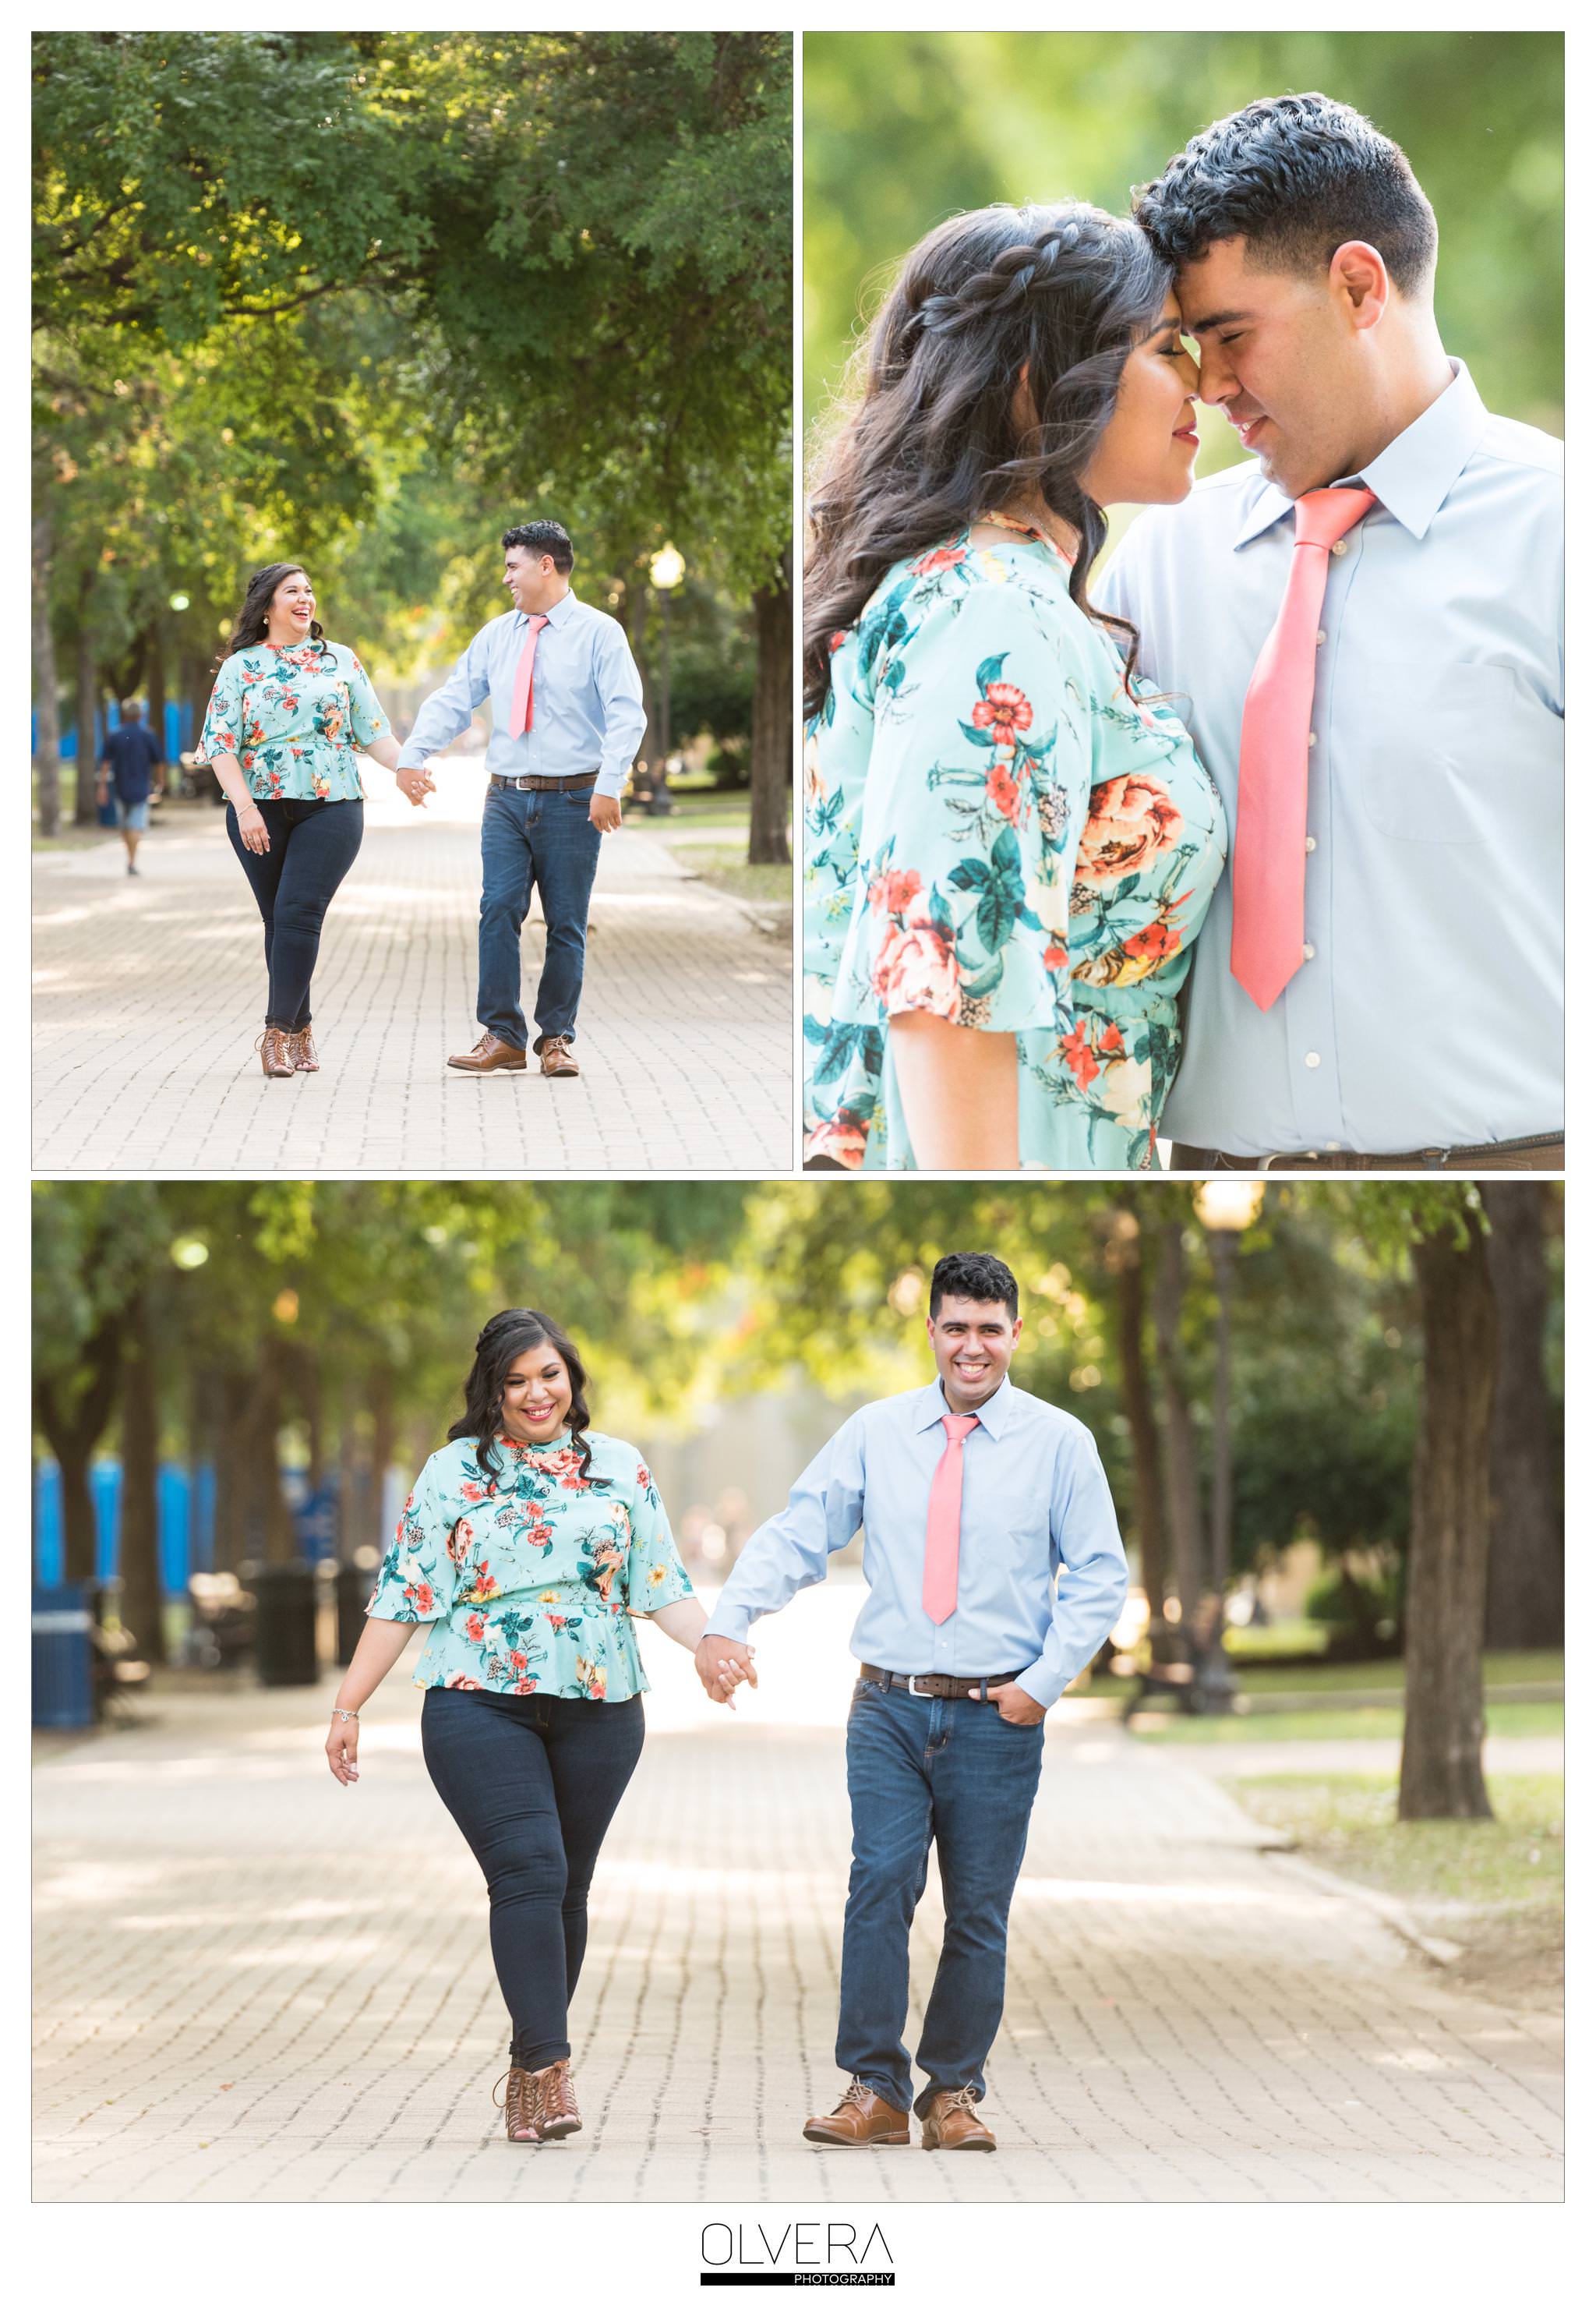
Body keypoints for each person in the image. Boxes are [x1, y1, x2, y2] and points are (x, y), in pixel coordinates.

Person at [1096, 94, 1563, 1171]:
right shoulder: (1159, 564)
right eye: (1183, 344)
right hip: (1209, 1174)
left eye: (1228, 335)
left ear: (1358, 286)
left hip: (1522, 1170)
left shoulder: (1559, 536)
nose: (1208, 388)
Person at [803, 200, 1227, 1172]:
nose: (1207, 386)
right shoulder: (994, 609)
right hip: (1003, 1148)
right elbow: (941, 976)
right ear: (1040, 379)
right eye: (1171, 350)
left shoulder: (992, 590)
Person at [696, 1252, 1127, 2153]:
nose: (972, 1345)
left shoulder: (1059, 1443)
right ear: (930, 1330)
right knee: (879, 1883)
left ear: (1015, 1333)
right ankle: (874, 2088)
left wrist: (1039, 1686)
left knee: (976, 1908)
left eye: (989, 1327)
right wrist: (728, 1619)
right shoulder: (876, 1431)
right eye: (956, 1326)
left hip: (995, 1713)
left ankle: (953, 2093)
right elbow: (802, 1527)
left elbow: (1096, 1576)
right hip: (887, 1706)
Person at [326, 1309, 749, 2146]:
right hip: (477, 1698)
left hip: (601, 1703)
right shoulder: (453, 1472)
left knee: (566, 1886)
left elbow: (658, 1580)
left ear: (570, 1378)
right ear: (492, 1390)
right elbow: (405, 1594)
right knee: (529, 1865)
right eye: (515, 1379)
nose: (534, 1392)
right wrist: (348, 1705)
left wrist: (708, 1644)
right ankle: (553, 2071)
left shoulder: (619, 1467)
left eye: (547, 1374)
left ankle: (526, 2068)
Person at [394, 520, 648, 1080]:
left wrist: (610, 784)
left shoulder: (599, 633)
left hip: (573, 800)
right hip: (505, 799)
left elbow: (627, 712)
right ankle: (503, 1036)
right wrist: (414, 755)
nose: (506, 577)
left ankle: (555, 1038)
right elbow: (456, 697)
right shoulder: (497, 635)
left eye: (513, 566)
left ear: (546, 566)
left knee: (566, 924)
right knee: (498, 908)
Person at [196, 562, 433, 1078]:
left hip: (333, 804)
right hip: (257, 809)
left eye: (309, 591)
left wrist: (407, 768)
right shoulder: (241, 668)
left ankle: (276, 1033)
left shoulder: (340, 661)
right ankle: (301, 1028)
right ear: (267, 605)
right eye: (292, 591)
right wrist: (243, 808)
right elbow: (220, 744)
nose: (305, 599)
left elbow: (374, 732)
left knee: (300, 910)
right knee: (279, 921)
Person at [97, 698, 164, 875]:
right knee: (135, 826)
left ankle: (130, 859)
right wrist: (161, 782)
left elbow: (105, 762)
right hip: (141, 787)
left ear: (125, 714)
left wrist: (102, 786)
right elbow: (159, 762)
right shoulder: (148, 735)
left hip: (120, 786)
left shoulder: (115, 734)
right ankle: (132, 861)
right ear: (141, 715)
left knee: (125, 826)